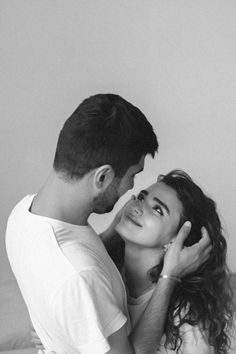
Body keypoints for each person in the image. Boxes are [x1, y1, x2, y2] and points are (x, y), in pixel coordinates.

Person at [6, 94, 211, 354]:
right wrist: (169, 276)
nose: (131, 190)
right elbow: (80, 276)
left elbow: (74, 264)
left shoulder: (22, 214)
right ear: (103, 177)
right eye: (133, 177)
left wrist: (55, 330)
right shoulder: (81, 277)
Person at [108, 169, 234, 354]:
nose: (136, 207)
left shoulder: (187, 322)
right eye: (141, 198)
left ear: (177, 241)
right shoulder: (105, 273)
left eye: (158, 209)